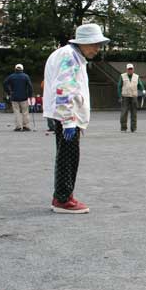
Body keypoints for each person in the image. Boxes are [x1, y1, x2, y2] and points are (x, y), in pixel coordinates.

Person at [43, 23, 110, 213]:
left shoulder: (70, 55)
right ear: (83, 42)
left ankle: (63, 195)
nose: (97, 49)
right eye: (94, 44)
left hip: (66, 115)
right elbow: (64, 89)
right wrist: (69, 121)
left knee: (68, 156)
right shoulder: (69, 57)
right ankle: (63, 199)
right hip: (67, 116)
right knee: (68, 157)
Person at [3, 64, 34, 131]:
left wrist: (9, 92)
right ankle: (26, 126)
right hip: (24, 97)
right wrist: (30, 95)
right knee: (25, 112)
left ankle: (18, 126)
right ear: (22, 69)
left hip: (14, 97)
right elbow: (30, 86)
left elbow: (4, 83)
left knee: (17, 112)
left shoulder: (11, 76)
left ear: (15, 69)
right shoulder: (26, 76)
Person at [117, 64, 146, 132]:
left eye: (131, 69)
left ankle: (133, 128)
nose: (130, 70)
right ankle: (123, 128)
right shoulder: (122, 76)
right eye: (129, 69)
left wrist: (143, 90)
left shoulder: (136, 76)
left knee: (134, 113)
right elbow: (119, 86)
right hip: (125, 97)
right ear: (126, 69)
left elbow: (140, 85)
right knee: (124, 113)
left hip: (134, 96)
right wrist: (120, 96)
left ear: (133, 69)